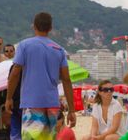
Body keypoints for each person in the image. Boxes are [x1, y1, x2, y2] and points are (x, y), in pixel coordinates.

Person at [6, 12, 76, 140]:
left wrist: (9, 98)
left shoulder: (24, 45)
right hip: (52, 104)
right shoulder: (59, 49)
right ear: (50, 28)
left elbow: (15, 73)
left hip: (32, 103)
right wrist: (72, 110)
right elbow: (66, 79)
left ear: (34, 26)